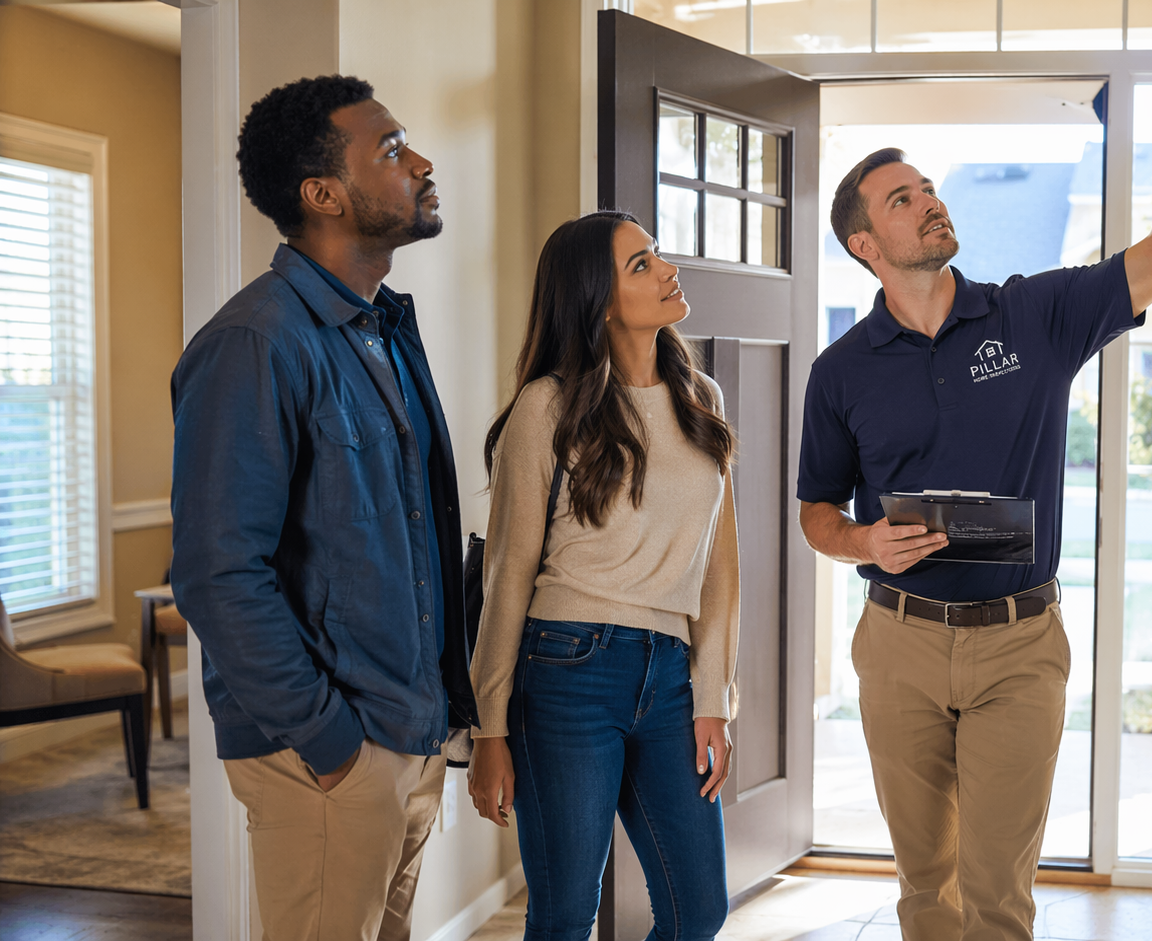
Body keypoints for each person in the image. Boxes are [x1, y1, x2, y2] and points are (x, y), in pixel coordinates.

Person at [796, 29, 1152, 941]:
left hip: (1020, 648)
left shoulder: (1033, 313)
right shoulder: (839, 371)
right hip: (898, 646)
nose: (930, 202)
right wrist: (861, 541)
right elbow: (816, 509)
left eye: (929, 187)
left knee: (998, 895)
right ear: (865, 243)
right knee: (926, 887)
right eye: (903, 198)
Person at [171, 75, 472, 941]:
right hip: (333, 753)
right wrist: (331, 741)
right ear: (322, 194)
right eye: (390, 149)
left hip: (404, 737)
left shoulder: (380, 331)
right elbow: (217, 572)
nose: (418, 162)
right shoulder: (254, 343)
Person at [466, 211, 740, 941]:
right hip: (566, 669)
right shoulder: (548, 405)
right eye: (642, 264)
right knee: (563, 915)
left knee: (698, 910)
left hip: (672, 679)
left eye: (657, 254)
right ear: (599, 297)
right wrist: (490, 725)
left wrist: (713, 697)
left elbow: (719, 567)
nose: (666, 268)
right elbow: (507, 574)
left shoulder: (699, 399)